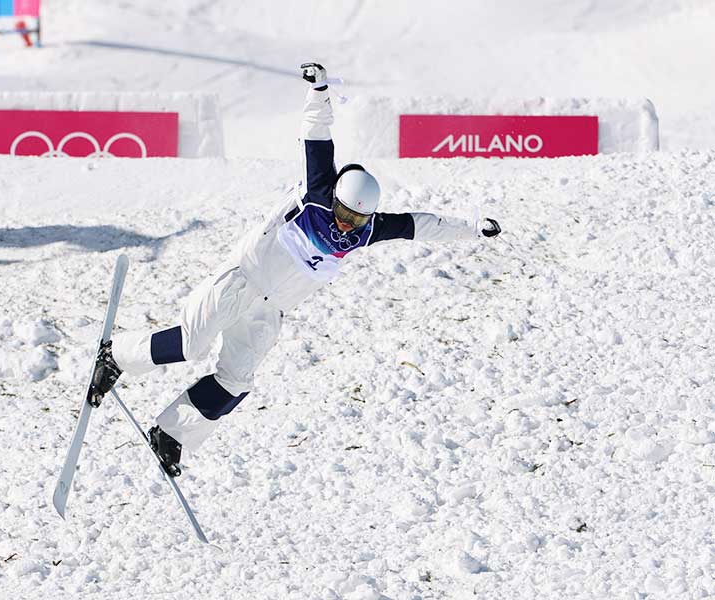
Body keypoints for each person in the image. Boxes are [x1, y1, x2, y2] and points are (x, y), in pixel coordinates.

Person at [96, 62, 502, 476]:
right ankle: (117, 356)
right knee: (192, 343)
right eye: (345, 214)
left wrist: (472, 229)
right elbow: (317, 133)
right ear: (337, 197)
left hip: (269, 311)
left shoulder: (367, 230)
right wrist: (319, 90)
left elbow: (422, 225)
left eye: (357, 219)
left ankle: (172, 433)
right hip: (242, 280)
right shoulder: (318, 191)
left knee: (237, 381)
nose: (346, 225)